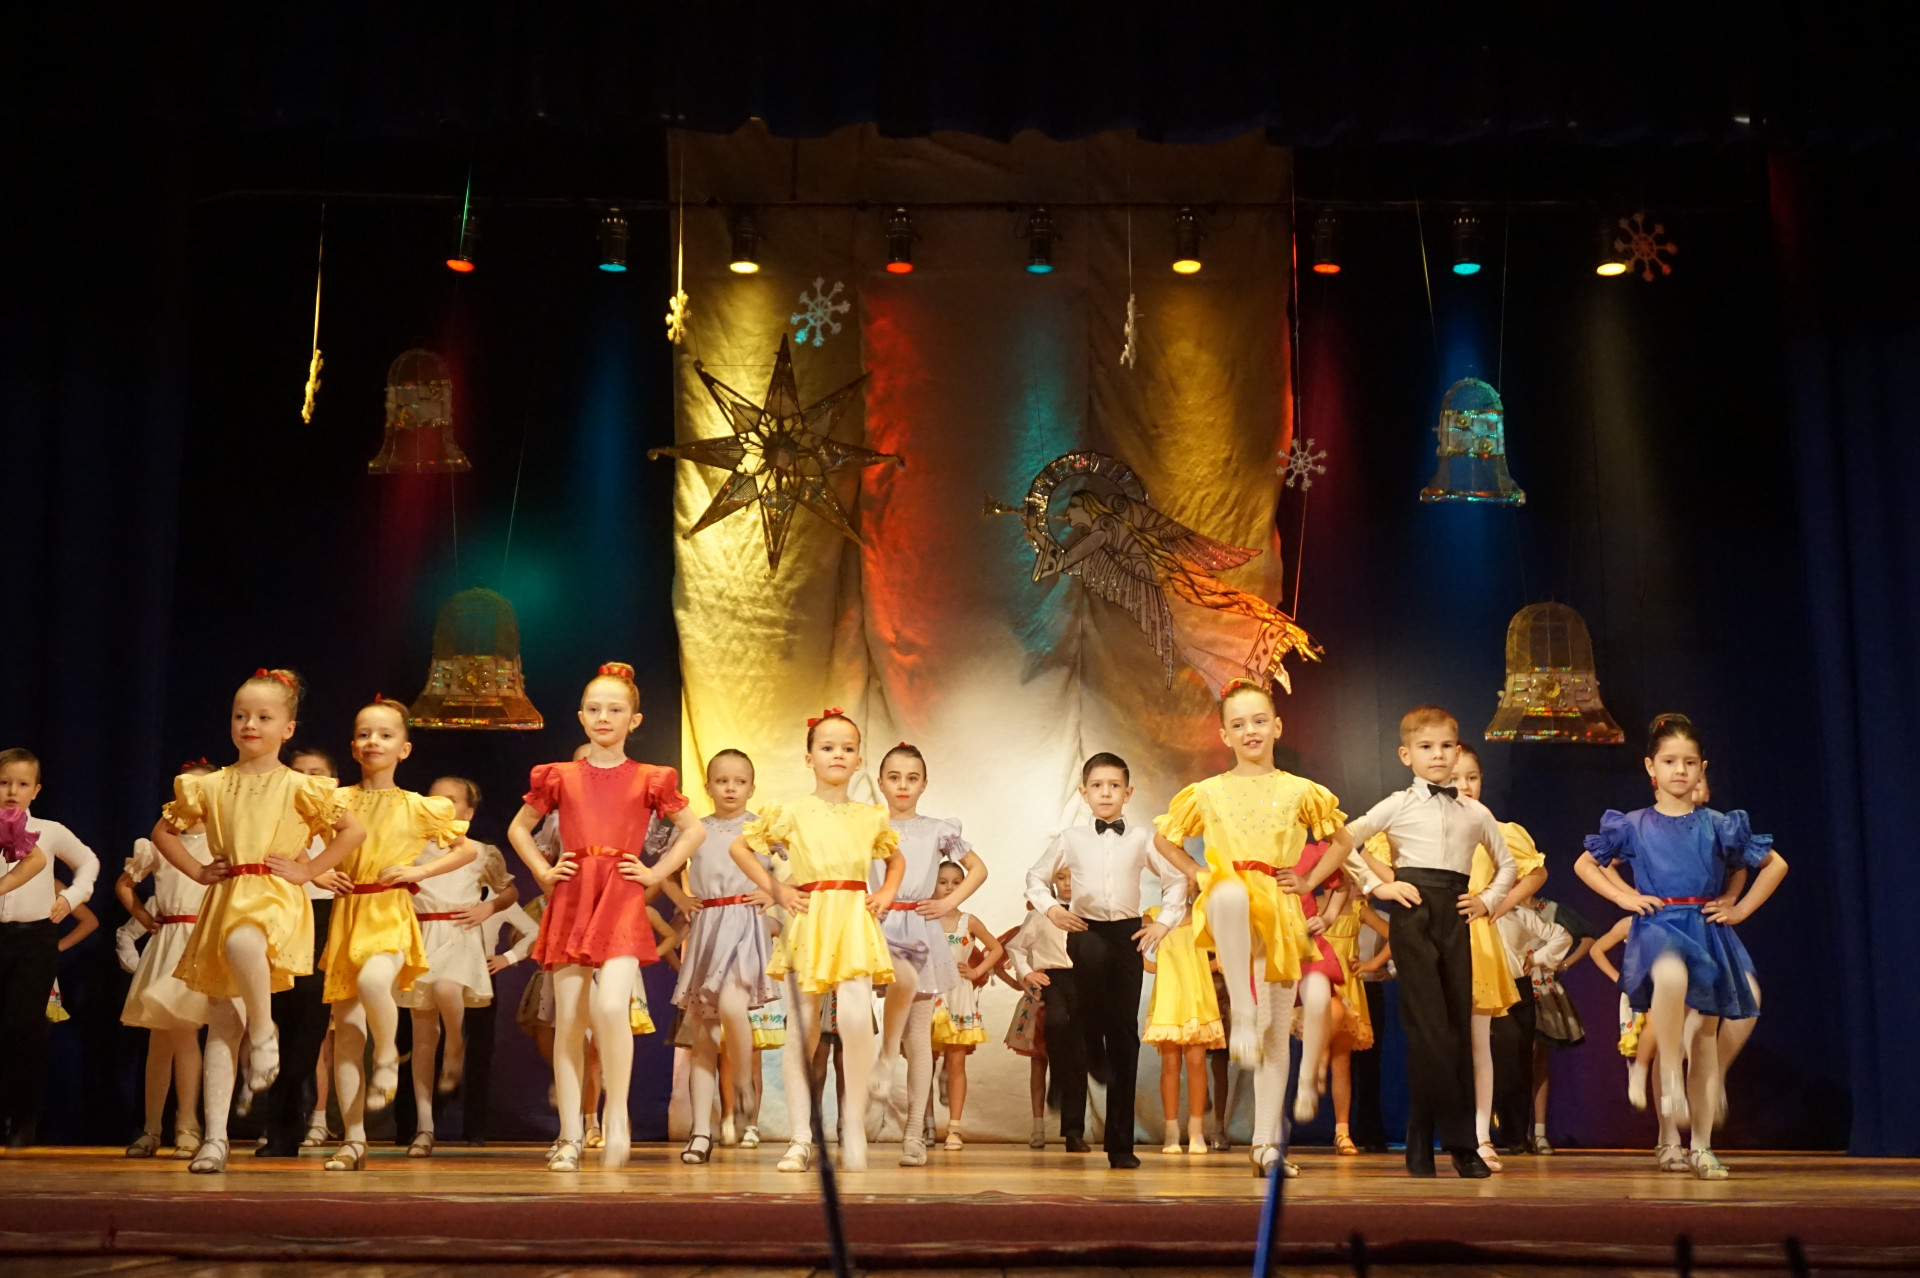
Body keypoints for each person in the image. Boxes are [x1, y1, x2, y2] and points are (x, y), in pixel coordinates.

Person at [150, 669, 367, 1173]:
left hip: (274, 895)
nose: (250, 725)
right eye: (240, 716)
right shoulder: (211, 785)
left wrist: (309, 870)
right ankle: (215, 1139)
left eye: (263, 717)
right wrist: (198, 871)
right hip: (228, 892)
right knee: (223, 1021)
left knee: (245, 939)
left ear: (287, 729)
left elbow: (352, 831)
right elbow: (163, 832)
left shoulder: (300, 786)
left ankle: (265, 1031)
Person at [507, 662, 705, 1172]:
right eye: (593, 709)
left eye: (615, 710)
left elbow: (693, 830)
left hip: (619, 894)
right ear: (580, 716)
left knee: (614, 1006)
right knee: (570, 1018)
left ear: (633, 720)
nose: (603, 717)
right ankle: (571, 1133)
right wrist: (543, 871)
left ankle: (617, 1115)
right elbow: (519, 828)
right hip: (573, 895)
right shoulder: (561, 775)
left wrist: (655, 871)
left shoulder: (650, 777)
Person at [1574, 713, 1787, 1180]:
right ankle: (1669, 1076)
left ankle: (1701, 1146)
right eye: (1669, 761)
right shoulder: (1633, 825)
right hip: (1658, 924)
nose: (1680, 770)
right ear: (1650, 766)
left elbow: (1774, 865)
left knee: (1705, 1036)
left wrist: (1738, 907)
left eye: (1689, 762)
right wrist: (1624, 897)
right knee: (1669, 976)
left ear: (1702, 768)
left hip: (1705, 928)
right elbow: (1585, 865)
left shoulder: (1718, 824)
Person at [268, 699, 475, 1172]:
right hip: (347, 913)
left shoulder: (418, 806)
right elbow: (291, 840)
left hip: (389, 910)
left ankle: (386, 1052)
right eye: (363, 734)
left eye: (384, 735)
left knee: (374, 981)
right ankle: (354, 1138)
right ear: (352, 746)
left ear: (404, 748)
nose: (372, 742)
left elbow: (465, 850)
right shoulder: (336, 800)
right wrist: (316, 873)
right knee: (345, 1032)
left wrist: (418, 870)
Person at [1153, 681, 1339, 1179]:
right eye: (1238, 724)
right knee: (1231, 894)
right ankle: (1242, 1008)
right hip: (1228, 898)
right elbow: (1165, 839)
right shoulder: (1208, 792)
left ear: (1277, 726)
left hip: (1279, 908)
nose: (1250, 731)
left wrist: (1308, 880)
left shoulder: (1300, 790)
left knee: (1275, 1035)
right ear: (1224, 735)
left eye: (1259, 721)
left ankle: (1266, 1145)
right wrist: (1196, 873)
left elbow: (1341, 842)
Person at [1339, 705, 1515, 1180]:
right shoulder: (1398, 804)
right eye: (1426, 747)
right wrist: (1379, 886)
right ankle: (1462, 1146)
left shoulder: (1476, 812)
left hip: (1455, 916)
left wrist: (1486, 900)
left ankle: (1419, 1137)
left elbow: (1509, 865)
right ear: (1406, 755)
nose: (1437, 755)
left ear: (1457, 751)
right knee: (1431, 1033)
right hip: (1413, 915)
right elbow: (1345, 839)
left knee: (1454, 1031)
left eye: (1445, 746)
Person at [728, 709, 906, 1174]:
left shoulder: (870, 815)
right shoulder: (791, 811)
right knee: (802, 1029)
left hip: (853, 917)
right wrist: (778, 890)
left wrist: (887, 892)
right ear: (809, 757)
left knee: (854, 1017)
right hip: (810, 918)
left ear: (859, 759)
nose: (837, 755)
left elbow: (895, 859)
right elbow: (740, 848)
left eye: (847, 748)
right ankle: (800, 1138)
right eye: (827, 747)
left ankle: (854, 1127)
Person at [1032, 751, 1187, 1171]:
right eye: (1097, 786)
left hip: (1126, 935)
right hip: (1085, 929)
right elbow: (1035, 877)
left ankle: (1120, 1144)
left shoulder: (1141, 838)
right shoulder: (1070, 838)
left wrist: (1163, 923)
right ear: (1084, 793)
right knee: (1085, 995)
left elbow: (1176, 879)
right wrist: (1052, 909)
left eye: (1114, 786)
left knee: (1124, 1036)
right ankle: (1090, 1052)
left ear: (1128, 793)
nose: (1105, 793)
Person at [869, 743, 988, 1165]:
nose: (902, 785)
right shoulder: (866, 823)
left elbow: (978, 869)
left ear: (924, 784)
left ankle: (913, 1133)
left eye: (912, 778)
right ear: (880, 781)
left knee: (918, 1035)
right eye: (894, 777)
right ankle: (847, 1124)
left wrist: (947, 902)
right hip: (874, 926)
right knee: (852, 1023)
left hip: (918, 929)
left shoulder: (938, 829)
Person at [397, 775, 519, 1157]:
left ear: (467, 813)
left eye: (450, 801)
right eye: (433, 799)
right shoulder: (410, 848)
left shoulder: (480, 852)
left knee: (447, 987)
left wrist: (489, 906)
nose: (440, 806)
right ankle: (424, 1126)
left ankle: (455, 1042)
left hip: (458, 933)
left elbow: (509, 889)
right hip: (421, 935)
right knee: (421, 1036)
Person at [671, 749, 778, 1164]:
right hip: (708, 924)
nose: (731, 788)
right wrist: (681, 898)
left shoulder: (762, 828)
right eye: (722, 781)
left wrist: (772, 892)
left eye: (740, 781)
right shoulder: (696, 829)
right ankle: (701, 1132)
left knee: (733, 1005)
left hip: (745, 924)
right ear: (708, 786)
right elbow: (664, 871)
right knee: (703, 1034)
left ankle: (743, 1081)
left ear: (752, 787)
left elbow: (798, 871)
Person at [1447, 745, 1549, 1170]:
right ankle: (1448, 1131)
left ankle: (1481, 1136)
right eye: (1455, 779)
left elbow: (1537, 872)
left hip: (1477, 939)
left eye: (1472, 777)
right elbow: (1373, 858)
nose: (1465, 786)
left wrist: (1495, 904)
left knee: (1479, 1041)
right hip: (1439, 938)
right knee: (1442, 1042)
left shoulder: (1498, 830)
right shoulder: (1425, 828)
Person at [116, 762, 219, 1159]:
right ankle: (153, 1128)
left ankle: (188, 1126)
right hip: (168, 943)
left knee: (184, 1032)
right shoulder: (160, 843)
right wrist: (143, 917)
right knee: (161, 1039)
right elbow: (125, 884)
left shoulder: (220, 843)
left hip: (201, 943)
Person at [0, 747, 100, 1150]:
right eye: (4, 782)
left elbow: (88, 862)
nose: (12, 791)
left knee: (24, 1028)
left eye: (22, 784)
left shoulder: (50, 830)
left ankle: (22, 1119)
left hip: (34, 940)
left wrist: (72, 897)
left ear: (36, 790)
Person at [927, 859, 1001, 1152]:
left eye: (957, 882)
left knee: (956, 1062)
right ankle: (924, 1122)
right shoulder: (923, 916)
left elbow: (996, 948)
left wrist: (977, 971)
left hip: (958, 995)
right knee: (924, 1062)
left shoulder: (968, 921)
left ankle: (954, 1128)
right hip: (929, 995)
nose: (949, 888)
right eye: (943, 882)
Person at [1141, 897, 1223, 1155]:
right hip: (1168, 997)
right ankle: (1171, 1131)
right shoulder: (1153, 914)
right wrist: (1160, 967)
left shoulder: (1203, 915)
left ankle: (1196, 1130)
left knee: (1197, 1062)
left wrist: (1199, 968)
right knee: (1170, 1063)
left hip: (1197, 997)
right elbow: (1139, 952)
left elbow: (1224, 954)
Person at [1001, 869, 1071, 1150]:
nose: (1067, 883)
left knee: (1069, 1055)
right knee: (1039, 1060)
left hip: (1071, 992)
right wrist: (1026, 976)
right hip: (1042, 995)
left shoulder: (1086, 915)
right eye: (1061, 878)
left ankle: (1072, 1126)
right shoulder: (1037, 918)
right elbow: (1010, 949)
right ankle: (1038, 1125)